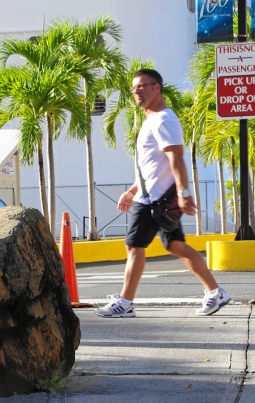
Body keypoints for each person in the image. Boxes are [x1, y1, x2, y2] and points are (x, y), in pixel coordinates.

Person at [95, 69, 230, 318]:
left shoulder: (164, 119)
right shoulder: (152, 121)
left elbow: (176, 158)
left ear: (157, 87)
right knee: (176, 245)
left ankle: (125, 303)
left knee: (134, 246)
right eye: (133, 88)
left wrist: (184, 193)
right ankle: (215, 292)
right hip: (151, 196)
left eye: (142, 86)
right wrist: (133, 189)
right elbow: (152, 165)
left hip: (155, 201)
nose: (136, 91)